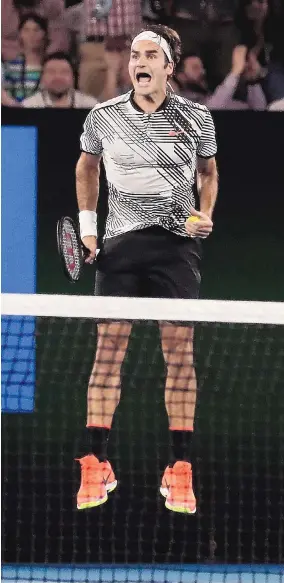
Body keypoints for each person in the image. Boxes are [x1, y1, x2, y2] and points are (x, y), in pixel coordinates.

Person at [75, 24, 218, 515]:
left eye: (150, 54)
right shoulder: (103, 117)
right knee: (107, 352)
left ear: (167, 66)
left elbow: (208, 172)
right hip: (119, 247)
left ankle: (180, 468)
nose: (140, 60)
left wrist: (205, 213)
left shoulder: (195, 117)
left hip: (176, 248)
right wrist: (88, 227)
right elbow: (86, 168)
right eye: (135, 53)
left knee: (179, 355)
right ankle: (96, 460)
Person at [174, 46, 266, 110]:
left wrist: (253, 81)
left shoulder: (211, 97)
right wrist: (235, 72)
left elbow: (259, 110)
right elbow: (210, 111)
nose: (203, 72)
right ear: (181, 76)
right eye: (195, 68)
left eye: (202, 67)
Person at [22, 52, 98, 108]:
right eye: (51, 72)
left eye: (64, 72)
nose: (58, 77)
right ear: (42, 78)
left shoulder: (90, 105)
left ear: (73, 78)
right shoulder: (29, 105)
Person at [3, 14, 48, 103]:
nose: (31, 35)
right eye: (26, 30)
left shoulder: (51, 66)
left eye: (36, 30)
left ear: (44, 34)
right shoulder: (10, 67)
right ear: (20, 34)